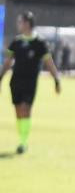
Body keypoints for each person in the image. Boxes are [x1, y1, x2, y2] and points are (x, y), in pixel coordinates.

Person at [0, 12, 61, 154]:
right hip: (15, 82)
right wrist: (0, 78)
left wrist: (56, 79)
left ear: (27, 23)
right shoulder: (16, 42)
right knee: (18, 111)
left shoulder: (40, 43)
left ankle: (23, 142)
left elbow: (49, 63)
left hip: (30, 83)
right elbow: (8, 63)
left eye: (20, 22)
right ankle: (22, 137)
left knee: (25, 109)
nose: (18, 25)